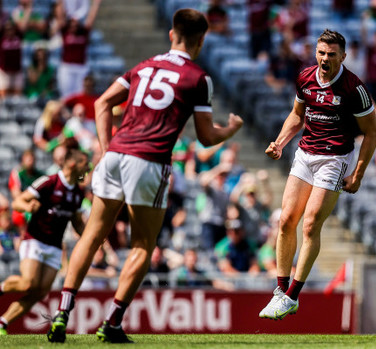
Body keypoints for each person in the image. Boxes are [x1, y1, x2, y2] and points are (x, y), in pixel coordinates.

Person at [46, 8, 242, 344]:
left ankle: (62, 312)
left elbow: (102, 104)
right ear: (202, 40)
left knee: (91, 236)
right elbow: (207, 137)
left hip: (116, 155)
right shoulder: (198, 79)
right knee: (143, 245)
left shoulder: (143, 66)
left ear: (171, 34)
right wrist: (232, 129)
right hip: (149, 161)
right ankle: (112, 322)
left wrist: (107, 148)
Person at [259, 29, 376, 320]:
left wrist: (358, 174)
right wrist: (279, 142)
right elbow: (297, 115)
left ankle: (292, 297)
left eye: (331, 54)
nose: (325, 59)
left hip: (335, 159)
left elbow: (372, 133)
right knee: (287, 219)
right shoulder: (305, 77)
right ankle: (280, 290)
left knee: (310, 224)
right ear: (316, 52)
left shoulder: (354, 88)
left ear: (343, 56)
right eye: (321, 53)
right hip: (305, 154)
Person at [0, 147, 89, 336]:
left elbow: (77, 223)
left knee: (39, 293)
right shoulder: (49, 182)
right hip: (35, 240)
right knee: (27, 284)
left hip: (55, 247)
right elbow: (17, 203)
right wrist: (28, 206)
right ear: (73, 164)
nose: (87, 168)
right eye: (84, 164)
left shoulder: (78, 194)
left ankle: (2, 323)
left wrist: (91, 238)